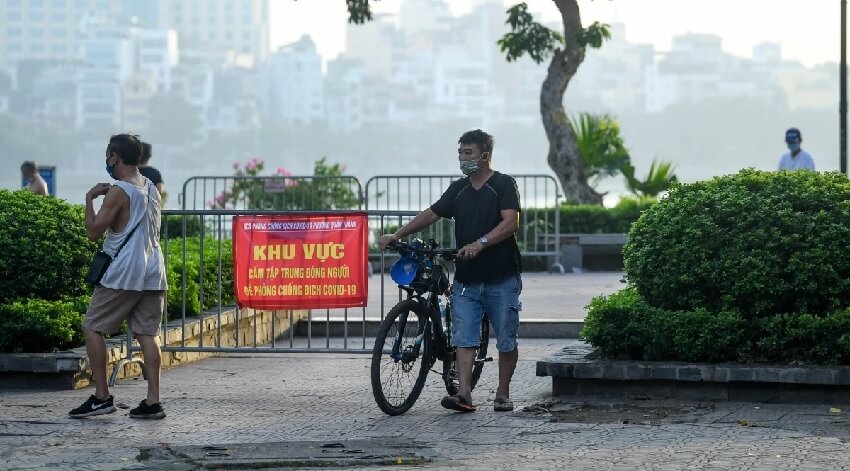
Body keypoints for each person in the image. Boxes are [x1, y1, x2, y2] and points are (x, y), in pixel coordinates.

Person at [378, 129, 522, 413]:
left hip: (501, 275)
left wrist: (481, 243)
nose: (462, 158)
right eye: (460, 153)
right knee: (464, 337)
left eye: (468, 153)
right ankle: (464, 393)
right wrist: (397, 234)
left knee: (506, 338)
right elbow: (431, 213)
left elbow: (511, 222)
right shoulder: (458, 189)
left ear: (485, 155)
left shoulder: (504, 184)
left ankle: (502, 392)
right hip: (467, 277)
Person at [69, 134, 168, 420]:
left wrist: (89, 198)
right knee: (147, 334)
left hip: (124, 272)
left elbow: (92, 232)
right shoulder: (151, 188)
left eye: (108, 155)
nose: (107, 161)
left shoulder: (120, 191)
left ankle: (102, 396)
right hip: (153, 271)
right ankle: (153, 401)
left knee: (93, 327)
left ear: (114, 156)